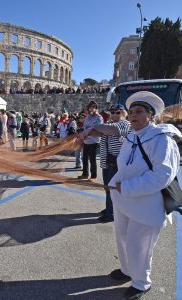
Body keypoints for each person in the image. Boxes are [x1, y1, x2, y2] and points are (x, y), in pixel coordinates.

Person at [108, 91, 181, 299]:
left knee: (138, 244)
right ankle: (127, 271)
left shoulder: (163, 139)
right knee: (122, 237)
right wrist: (115, 184)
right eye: (131, 112)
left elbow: (162, 175)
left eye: (139, 111)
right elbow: (126, 167)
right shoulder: (131, 136)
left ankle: (141, 282)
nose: (133, 116)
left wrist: (128, 187)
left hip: (148, 205)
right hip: (124, 201)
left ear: (151, 116)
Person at [81, 104, 130, 222]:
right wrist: (88, 132)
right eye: (112, 112)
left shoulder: (124, 124)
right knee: (108, 188)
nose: (114, 115)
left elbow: (111, 130)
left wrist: (90, 128)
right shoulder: (108, 124)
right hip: (106, 162)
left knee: (113, 189)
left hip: (116, 163)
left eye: (117, 112)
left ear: (123, 113)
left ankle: (111, 214)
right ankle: (110, 208)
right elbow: (99, 132)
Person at [78, 101, 103, 181]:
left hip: (94, 141)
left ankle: (93, 176)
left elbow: (98, 127)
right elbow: (85, 127)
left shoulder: (99, 117)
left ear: (96, 108)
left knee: (92, 159)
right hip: (86, 140)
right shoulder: (88, 117)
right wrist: (82, 133)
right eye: (90, 107)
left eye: (93, 107)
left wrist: (87, 132)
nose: (91, 108)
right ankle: (85, 174)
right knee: (84, 158)